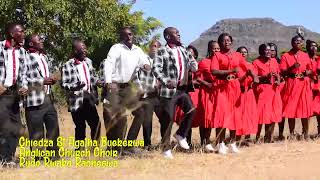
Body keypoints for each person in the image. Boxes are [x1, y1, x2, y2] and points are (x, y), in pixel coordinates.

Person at [103, 26, 150, 154]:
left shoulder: (137, 50)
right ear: (121, 37)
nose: (129, 37)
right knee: (120, 118)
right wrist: (108, 82)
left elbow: (144, 60)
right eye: (126, 35)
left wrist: (146, 65)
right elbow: (109, 63)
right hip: (115, 86)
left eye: (130, 35)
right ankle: (117, 150)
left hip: (128, 87)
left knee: (140, 113)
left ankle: (129, 145)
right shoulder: (116, 48)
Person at [153, 27, 198, 158]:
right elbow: (156, 69)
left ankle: (180, 134)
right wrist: (166, 81)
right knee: (168, 119)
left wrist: (190, 58)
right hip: (169, 90)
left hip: (182, 89)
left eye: (179, 33)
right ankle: (166, 148)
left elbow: (194, 67)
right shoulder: (162, 51)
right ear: (168, 36)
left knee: (192, 110)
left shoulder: (183, 50)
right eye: (176, 33)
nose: (179, 35)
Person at [210, 33, 258, 154]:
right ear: (220, 43)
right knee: (221, 115)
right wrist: (231, 70)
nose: (226, 42)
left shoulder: (237, 55)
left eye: (228, 40)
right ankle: (221, 144)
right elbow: (214, 71)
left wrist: (253, 75)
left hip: (235, 87)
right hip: (222, 87)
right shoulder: (217, 55)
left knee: (235, 115)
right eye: (224, 40)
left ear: (231, 42)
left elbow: (247, 67)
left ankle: (232, 143)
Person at [24, 34, 60, 159]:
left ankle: (54, 156)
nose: (41, 41)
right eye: (38, 39)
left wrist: (52, 80)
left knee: (53, 128)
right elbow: (22, 79)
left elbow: (46, 76)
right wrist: (41, 81)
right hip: (34, 100)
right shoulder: (25, 58)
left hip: (48, 98)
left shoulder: (44, 57)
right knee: (36, 132)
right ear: (31, 44)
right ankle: (37, 159)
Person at [61, 39, 101, 149]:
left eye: (85, 48)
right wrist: (76, 86)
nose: (85, 50)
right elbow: (64, 84)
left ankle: (95, 148)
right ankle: (80, 150)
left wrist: (98, 81)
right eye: (82, 48)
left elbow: (93, 77)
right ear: (75, 50)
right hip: (76, 100)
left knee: (96, 124)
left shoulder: (88, 61)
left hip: (89, 97)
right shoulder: (67, 65)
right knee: (80, 126)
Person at [0, 22, 28, 165]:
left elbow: (23, 73)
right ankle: (3, 159)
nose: (24, 34)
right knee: (4, 127)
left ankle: (9, 158)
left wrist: (24, 87)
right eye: (21, 31)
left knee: (16, 128)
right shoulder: (0, 47)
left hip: (15, 95)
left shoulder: (22, 51)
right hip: (2, 94)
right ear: (12, 34)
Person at [127, 39, 162, 150]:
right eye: (153, 46)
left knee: (165, 117)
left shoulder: (161, 61)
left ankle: (164, 142)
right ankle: (147, 144)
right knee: (147, 119)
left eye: (157, 46)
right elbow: (134, 75)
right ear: (149, 47)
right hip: (145, 95)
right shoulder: (143, 59)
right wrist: (139, 89)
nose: (154, 48)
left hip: (157, 94)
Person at [279, 34, 313, 140]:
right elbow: (283, 72)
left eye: (300, 41)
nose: (298, 43)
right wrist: (292, 67)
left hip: (303, 84)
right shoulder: (286, 56)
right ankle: (292, 133)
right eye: (296, 41)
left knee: (305, 109)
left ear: (302, 43)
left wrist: (307, 72)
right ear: (292, 43)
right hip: (292, 83)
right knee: (291, 109)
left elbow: (311, 69)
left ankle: (306, 133)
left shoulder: (306, 55)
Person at [253, 44, 282, 143]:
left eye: (270, 50)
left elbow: (278, 73)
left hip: (274, 90)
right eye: (266, 50)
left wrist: (278, 80)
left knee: (272, 113)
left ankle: (268, 137)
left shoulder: (274, 61)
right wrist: (266, 76)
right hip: (262, 90)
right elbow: (255, 78)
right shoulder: (256, 62)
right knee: (261, 114)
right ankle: (257, 138)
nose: (269, 52)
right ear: (261, 52)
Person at [196, 40, 220, 152]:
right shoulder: (203, 62)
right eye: (214, 48)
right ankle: (205, 142)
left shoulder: (221, 62)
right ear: (209, 49)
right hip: (206, 92)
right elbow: (197, 78)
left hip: (218, 93)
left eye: (218, 49)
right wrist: (207, 84)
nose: (216, 51)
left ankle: (218, 142)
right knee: (206, 118)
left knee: (216, 118)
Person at [236, 46, 258, 146]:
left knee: (249, 115)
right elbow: (237, 81)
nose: (243, 54)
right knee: (239, 115)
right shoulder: (235, 66)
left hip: (249, 92)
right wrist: (246, 75)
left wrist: (253, 76)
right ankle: (237, 139)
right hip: (239, 93)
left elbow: (256, 79)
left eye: (245, 52)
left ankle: (248, 138)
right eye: (241, 52)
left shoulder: (251, 65)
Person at [306, 40, 320, 136]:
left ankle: (319, 132)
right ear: (307, 48)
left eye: (316, 46)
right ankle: (305, 132)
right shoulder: (304, 59)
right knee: (307, 110)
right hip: (307, 87)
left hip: (318, 87)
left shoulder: (319, 59)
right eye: (312, 46)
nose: (314, 48)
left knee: (319, 110)